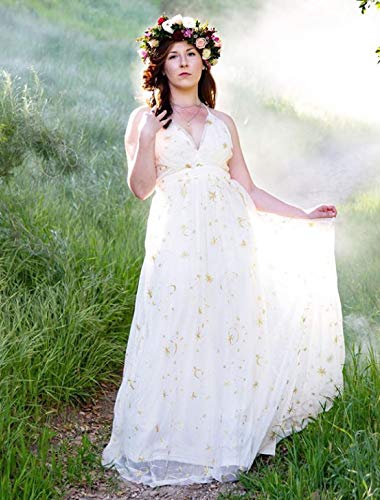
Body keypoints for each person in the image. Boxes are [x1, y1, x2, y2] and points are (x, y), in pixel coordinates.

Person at [101, 13, 345, 488]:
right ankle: (168, 438)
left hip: (229, 243)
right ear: (161, 66)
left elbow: (248, 189)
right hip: (176, 242)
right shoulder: (145, 120)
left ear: (204, 61)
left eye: (191, 53)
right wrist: (148, 138)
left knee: (223, 331)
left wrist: (303, 214)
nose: (183, 62)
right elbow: (141, 189)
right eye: (173, 56)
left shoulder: (223, 123)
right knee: (173, 326)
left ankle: (222, 436)